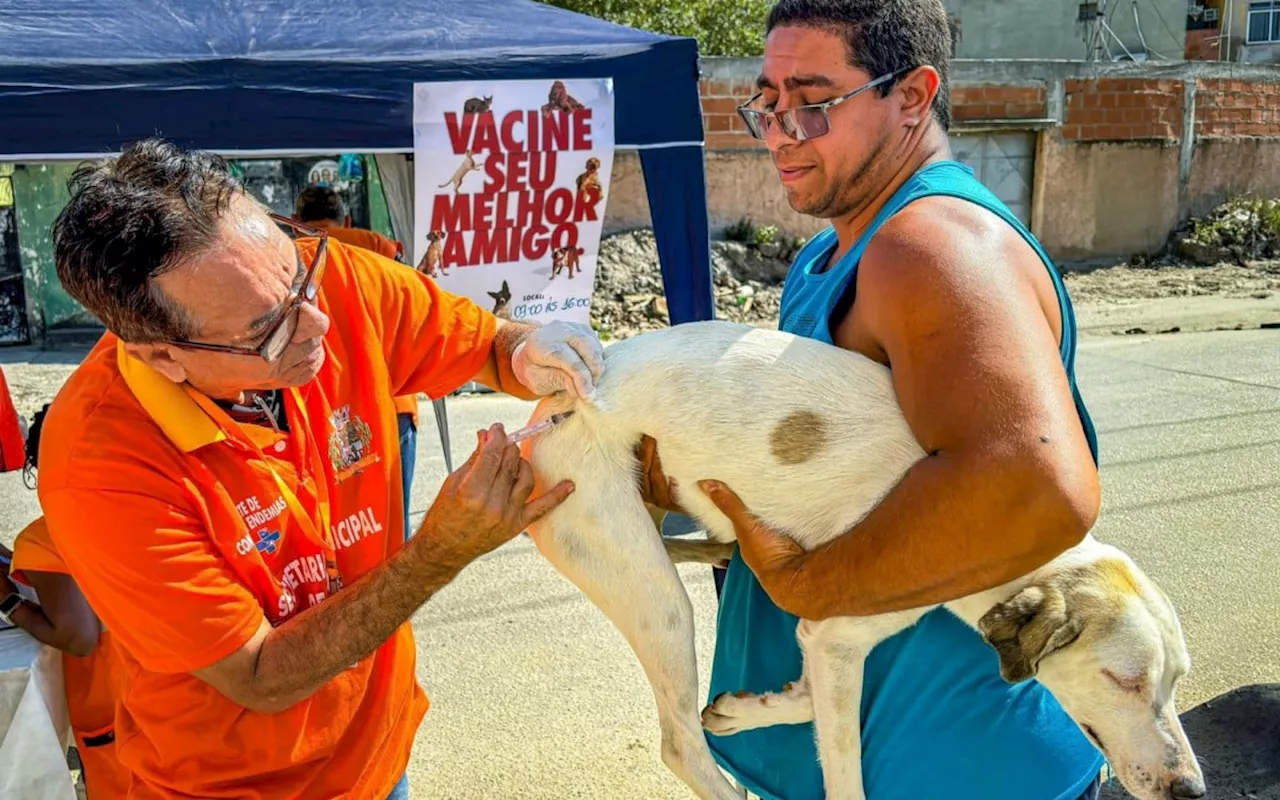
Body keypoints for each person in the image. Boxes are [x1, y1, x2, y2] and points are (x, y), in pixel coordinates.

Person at [36, 137, 604, 800]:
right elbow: (258, 675)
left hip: (377, 756)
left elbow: (484, 345)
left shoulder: (324, 285)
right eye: (267, 330)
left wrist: (528, 353)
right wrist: (441, 551)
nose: (319, 324)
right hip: (231, 786)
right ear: (162, 357)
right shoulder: (99, 463)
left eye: (297, 269)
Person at [640, 1, 1106, 798]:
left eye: (814, 103)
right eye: (769, 102)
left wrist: (808, 586)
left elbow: (1037, 486)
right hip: (864, 753)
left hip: (952, 764)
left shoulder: (929, 246)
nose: (782, 130)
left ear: (914, 97)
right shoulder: (834, 253)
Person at [292, 185, 419, 538]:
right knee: (395, 522)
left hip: (320, 410)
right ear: (345, 218)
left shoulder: (283, 258)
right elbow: (416, 312)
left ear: (293, 221)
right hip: (393, 398)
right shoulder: (378, 246)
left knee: (338, 527)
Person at [4, 517, 130, 799]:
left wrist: (8, 602)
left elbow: (77, 638)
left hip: (109, 710)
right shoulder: (141, 511)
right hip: (169, 697)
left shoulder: (41, 540)